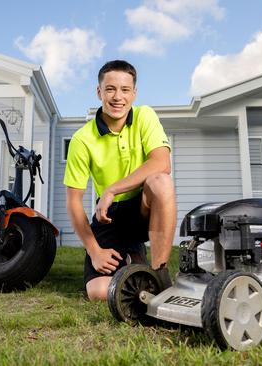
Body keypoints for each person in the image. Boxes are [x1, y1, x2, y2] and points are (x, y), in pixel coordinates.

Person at [64, 60, 177, 301]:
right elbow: (74, 201)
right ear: (99, 92)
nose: (118, 97)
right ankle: (132, 263)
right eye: (110, 89)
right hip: (109, 217)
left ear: (134, 93)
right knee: (99, 292)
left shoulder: (145, 116)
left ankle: (160, 275)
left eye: (125, 90)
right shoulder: (81, 140)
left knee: (161, 182)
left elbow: (161, 163)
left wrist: (111, 190)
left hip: (141, 209)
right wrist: (94, 251)